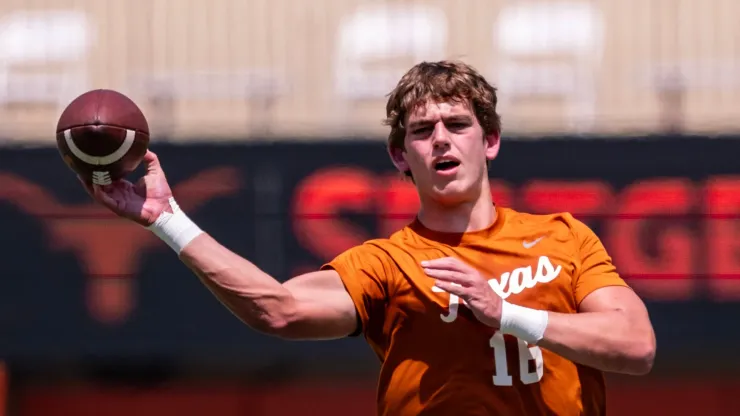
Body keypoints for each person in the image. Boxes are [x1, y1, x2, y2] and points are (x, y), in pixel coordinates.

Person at [82, 61, 656, 415]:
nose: (441, 141)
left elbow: (636, 346)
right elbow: (278, 310)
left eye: (458, 125)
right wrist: (167, 219)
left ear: (492, 140)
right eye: (422, 131)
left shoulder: (563, 236)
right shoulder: (386, 263)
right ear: (399, 155)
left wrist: (507, 312)